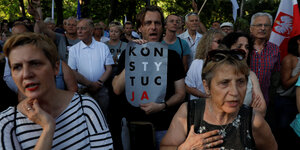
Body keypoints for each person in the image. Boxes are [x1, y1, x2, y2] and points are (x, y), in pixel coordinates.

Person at [0, 32, 113, 149]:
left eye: (35, 64)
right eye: (17, 67)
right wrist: (48, 129)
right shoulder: (7, 124)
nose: (26, 74)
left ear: (56, 67)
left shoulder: (85, 108)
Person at [160, 49, 277, 150]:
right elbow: (165, 147)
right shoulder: (189, 112)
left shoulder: (254, 121)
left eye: (241, 82)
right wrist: (184, 148)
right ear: (207, 86)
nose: (235, 92)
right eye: (224, 83)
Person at [112, 5, 185, 149]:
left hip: (165, 128)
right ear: (139, 28)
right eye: (148, 23)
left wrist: (162, 106)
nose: (153, 27)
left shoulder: (173, 57)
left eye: (157, 23)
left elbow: (181, 93)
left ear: (162, 27)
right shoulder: (129, 53)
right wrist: (136, 55)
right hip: (134, 128)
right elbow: (117, 89)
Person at [68, 18, 114, 119]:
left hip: (101, 89)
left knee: (103, 118)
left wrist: (99, 82)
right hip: (83, 91)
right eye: (78, 28)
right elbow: (72, 72)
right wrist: (89, 84)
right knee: (85, 119)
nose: (79, 31)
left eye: (83, 28)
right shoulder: (73, 50)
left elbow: (109, 68)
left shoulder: (103, 47)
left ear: (91, 30)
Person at [222, 32, 267, 117]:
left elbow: (262, 110)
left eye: (247, 47)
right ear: (228, 49)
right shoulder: (218, 73)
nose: (244, 50)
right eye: (239, 46)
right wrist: (248, 111)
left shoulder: (251, 75)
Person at [275, 35, 300, 148]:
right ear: (298, 42)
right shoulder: (288, 59)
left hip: (296, 101)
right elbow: (285, 84)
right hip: (285, 101)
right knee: (284, 131)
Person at [249, 12, 280, 105]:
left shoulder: (274, 49)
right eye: (259, 25)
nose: (263, 28)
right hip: (242, 100)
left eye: (266, 25)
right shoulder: (243, 47)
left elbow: (275, 77)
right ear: (251, 28)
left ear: (270, 29)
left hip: (265, 101)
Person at [185, 29, 225, 101]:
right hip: (199, 107)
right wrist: (206, 97)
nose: (221, 45)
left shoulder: (227, 64)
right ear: (208, 43)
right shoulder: (197, 63)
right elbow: (188, 87)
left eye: (223, 42)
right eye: (218, 41)